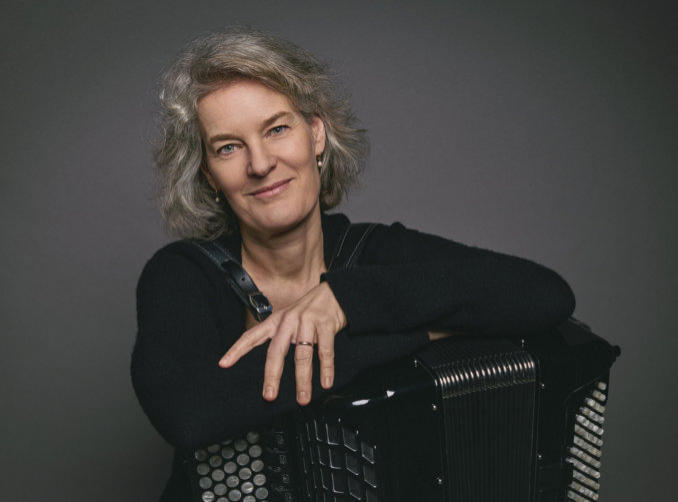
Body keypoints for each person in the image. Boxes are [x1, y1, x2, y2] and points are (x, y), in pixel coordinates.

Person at [130, 27, 576, 501]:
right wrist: (415, 334)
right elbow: (190, 414)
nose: (259, 164)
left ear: (316, 135)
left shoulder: (374, 250)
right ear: (210, 174)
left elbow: (545, 295)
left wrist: (346, 300)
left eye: (277, 129)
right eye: (228, 147)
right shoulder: (183, 274)